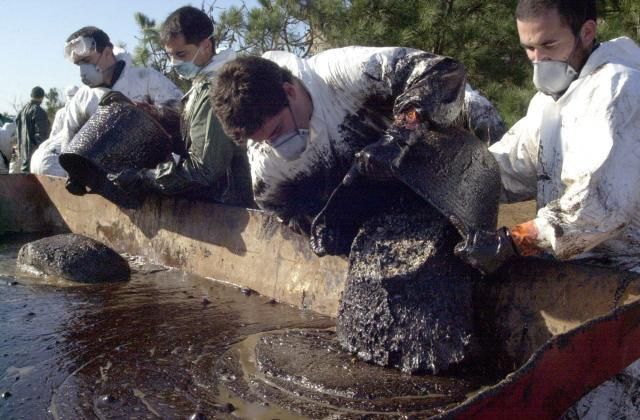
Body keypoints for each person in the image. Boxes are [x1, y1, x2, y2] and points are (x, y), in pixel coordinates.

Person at [455, 0, 640, 417]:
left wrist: (515, 241)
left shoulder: (619, 89)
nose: (538, 59)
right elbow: (514, 165)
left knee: (616, 399)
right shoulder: (552, 99)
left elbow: (599, 205)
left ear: (587, 33)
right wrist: (454, 177)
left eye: (549, 45)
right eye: (528, 49)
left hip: (629, 277)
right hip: (578, 271)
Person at [212, 48, 505, 233]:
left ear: (289, 92)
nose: (275, 145)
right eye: (262, 141)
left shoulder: (344, 72)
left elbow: (443, 72)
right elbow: (284, 211)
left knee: (479, 115)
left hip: (440, 151)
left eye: (276, 131)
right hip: (381, 202)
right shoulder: (267, 169)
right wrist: (326, 229)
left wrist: (400, 135)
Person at [108, 6, 253, 206]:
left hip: (229, 207)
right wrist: (156, 113)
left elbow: (204, 169)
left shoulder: (215, 88)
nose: (174, 63)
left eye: (181, 54)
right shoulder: (207, 79)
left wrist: (146, 178)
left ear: (206, 46)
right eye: (170, 55)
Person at [30, 26, 183, 177]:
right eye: (79, 64)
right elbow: (68, 142)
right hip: (103, 179)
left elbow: (181, 112)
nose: (83, 71)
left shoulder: (145, 78)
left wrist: (151, 111)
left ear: (108, 52)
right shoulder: (82, 98)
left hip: (152, 172)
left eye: (87, 60)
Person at [15, 86, 50, 173]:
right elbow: (42, 135)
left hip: (22, 154)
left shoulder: (21, 111)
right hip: (33, 155)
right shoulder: (39, 111)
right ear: (42, 97)